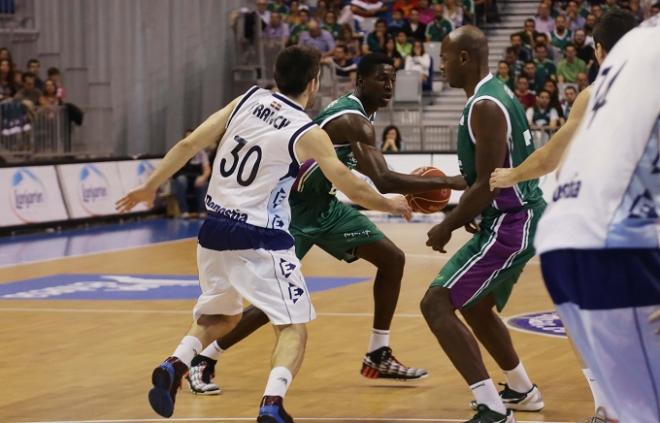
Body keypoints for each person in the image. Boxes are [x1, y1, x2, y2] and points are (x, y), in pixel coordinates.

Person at [116, 45, 413, 422]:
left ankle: (177, 362)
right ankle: (272, 404)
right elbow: (352, 187)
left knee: (220, 317)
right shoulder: (306, 131)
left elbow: (191, 144)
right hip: (259, 234)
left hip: (212, 230)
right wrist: (392, 203)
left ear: (276, 76)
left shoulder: (247, 99)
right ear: (313, 82)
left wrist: (150, 187)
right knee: (292, 328)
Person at [185, 54, 466, 396]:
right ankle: (204, 357)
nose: (389, 86)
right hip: (293, 212)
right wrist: (450, 181)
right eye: (381, 79)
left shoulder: (362, 118)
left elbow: (376, 175)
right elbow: (383, 180)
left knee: (392, 259)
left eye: (392, 79)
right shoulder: (352, 120)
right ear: (360, 82)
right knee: (272, 304)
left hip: (326, 208)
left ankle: (378, 354)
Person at [489, 11, 641, 421]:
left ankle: (607, 404)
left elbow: (552, 156)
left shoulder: (596, 95)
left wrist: (512, 175)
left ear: (598, 49)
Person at [534, 16, 660, 423]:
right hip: (619, 242)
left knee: (635, 406)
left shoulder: (606, 79)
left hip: (564, 239)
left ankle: (607, 407)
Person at [422, 26, 546, 423]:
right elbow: (484, 174)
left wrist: (448, 224)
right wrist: (442, 184)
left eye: (443, 57)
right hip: (511, 214)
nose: (440, 66)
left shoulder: (485, 106)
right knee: (474, 305)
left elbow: (489, 183)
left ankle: (493, 408)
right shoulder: (495, 95)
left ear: (463, 58)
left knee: (435, 303)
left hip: (512, 221)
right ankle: (522, 390)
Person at [171, 129, 211, 217]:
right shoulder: (180, 152)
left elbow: (207, 169)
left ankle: (202, 211)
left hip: (196, 176)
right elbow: (174, 168)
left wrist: (203, 177)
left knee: (204, 184)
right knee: (181, 181)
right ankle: (184, 211)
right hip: (184, 176)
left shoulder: (201, 153)